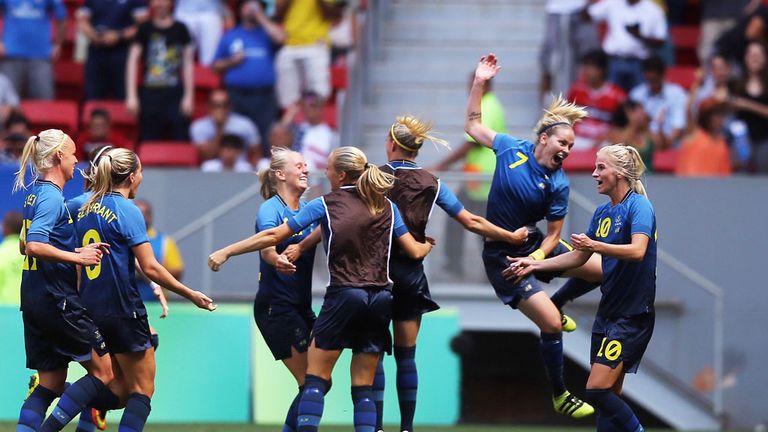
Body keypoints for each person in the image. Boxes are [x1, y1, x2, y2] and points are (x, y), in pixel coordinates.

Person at [207, 146, 434, 432]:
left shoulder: (325, 204)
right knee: (363, 387)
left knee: (316, 381)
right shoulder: (386, 205)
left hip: (343, 296)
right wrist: (425, 244)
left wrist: (227, 251)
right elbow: (414, 251)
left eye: (326, 168)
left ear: (339, 174)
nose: (318, 171)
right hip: (379, 299)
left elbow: (274, 235)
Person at [464, 54, 602, 418]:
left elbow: (553, 237)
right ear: (544, 138)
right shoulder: (510, 148)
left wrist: (537, 260)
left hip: (534, 248)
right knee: (551, 326)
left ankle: (558, 302)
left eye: (571, 147)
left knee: (603, 270)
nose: (567, 151)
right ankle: (560, 395)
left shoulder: (558, 185)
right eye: (563, 143)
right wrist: (480, 81)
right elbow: (473, 126)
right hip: (503, 259)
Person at [373, 116, 529, 432]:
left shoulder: (372, 178)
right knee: (406, 356)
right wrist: (510, 237)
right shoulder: (432, 183)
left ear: (390, 144)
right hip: (410, 274)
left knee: (372, 354)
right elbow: (471, 221)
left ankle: (373, 426)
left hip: (373, 273)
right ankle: (406, 428)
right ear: (416, 149)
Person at [507, 144, 657, 432]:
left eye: (601, 167)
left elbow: (638, 251)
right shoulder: (603, 212)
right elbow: (579, 256)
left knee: (596, 391)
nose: (594, 173)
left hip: (632, 315)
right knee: (609, 395)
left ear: (620, 173)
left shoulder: (639, 206)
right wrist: (533, 263)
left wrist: (595, 245)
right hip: (609, 313)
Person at [76, 147, 216, 431]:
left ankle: (59, 392)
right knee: (142, 390)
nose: (141, 178)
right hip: (122, 309)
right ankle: (62, 391)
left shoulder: (85, 207)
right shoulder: (129, 210)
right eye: (140, 172)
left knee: (116, 388)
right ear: (130, 177)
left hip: (90, 308)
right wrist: (191, 294)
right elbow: (150, 266)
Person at [11, 129, 115, 432]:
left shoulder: (36, 193)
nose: (75, 162)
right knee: (104, 373)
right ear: (58, 156)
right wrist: (78, 258)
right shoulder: (52, 198)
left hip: (33, 298)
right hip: (57, 299)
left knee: (51, 384)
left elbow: (25, 242)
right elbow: (33, 246)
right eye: (72, 155)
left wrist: (74, 248)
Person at [430, 74, 506, 278]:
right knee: (460, 220)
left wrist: (440, 166)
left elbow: (471, 142)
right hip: (476, 179)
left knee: (480, 227)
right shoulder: (488, 104)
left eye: (475, 84)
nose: (469, 88)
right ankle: (458, 266)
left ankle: (490, 273)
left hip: (485, 181)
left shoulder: (487, 106)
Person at [212, 0, 284, 154]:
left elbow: (280, 38)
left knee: (267, 138)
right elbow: (215, 66)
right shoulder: (231, 35)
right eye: (247, 4)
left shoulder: (266, 33)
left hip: (265, 96)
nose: (251, 8)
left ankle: (267, 173)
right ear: (240, 9)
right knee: (237, 137)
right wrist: (232, 61)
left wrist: (261, 17)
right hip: (237, 96)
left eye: (256, 4)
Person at [126, 0, 194, 142]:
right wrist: (131, 96)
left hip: (175, 94)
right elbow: (132, 61)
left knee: (180, 140)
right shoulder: (144, 28)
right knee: (148, 141)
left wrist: (189, 96)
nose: (159, 4)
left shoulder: (181, 29)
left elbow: (188, 64)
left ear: (171, 3)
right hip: (149, 95)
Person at [274, 0, 337, 123]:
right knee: (288, 98)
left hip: (316, 43)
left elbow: (332, 14)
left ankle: (317, 125)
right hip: (290, 43)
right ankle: (292, 125)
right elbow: (278, 15)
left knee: (320, 93)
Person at [585, 0, 667, 92]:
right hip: (614, 62)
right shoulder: (613, 3)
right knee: (613, 99)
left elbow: (661, 41)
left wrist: (640, 36)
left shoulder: (653, 9)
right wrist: (580, 3)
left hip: (639, 64)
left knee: (638, 98)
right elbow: (587, 16)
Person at [77, 0, 149, 100]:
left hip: (122, 52)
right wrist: (94, 37)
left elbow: (142, 25)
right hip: (96, 52)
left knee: (122, 96)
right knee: (93, 96)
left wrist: (119, 36)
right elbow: (83, 20)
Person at [0, 0, 66, 99]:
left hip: (41, 55)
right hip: (11, 53)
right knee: (5, 102)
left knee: (44, 101)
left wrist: (58, 44)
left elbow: (62, 17)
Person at [567, 50, 627, 151]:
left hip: (604, 142)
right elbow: (565, 119)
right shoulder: (576, 90)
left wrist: (606, 137)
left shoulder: (617, 95)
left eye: (590, 67)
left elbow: (621, 127)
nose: (586, 71)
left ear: (602, 70)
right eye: (585, 66)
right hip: (578, 140)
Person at [628, 56, 688, 150]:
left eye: (655, 80)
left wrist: (663, 143)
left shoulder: (677, 94)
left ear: (663, 75)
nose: (652, 84)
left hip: (670, 148)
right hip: (641, 147)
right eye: (649, 80)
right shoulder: (636, 94)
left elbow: (678, 127)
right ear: (644, 75)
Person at [133, 198, 185, 303]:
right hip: (127, 303)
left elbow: (177, 272)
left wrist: (154, 270)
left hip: (156, 302)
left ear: (151, 216)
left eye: (145, 213)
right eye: (138, 213)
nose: (142, 217)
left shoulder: (164, 242)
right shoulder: (121, 239)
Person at [191, 89, 261, 163]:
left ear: (230, 106)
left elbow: (256, 152)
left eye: (224, 105)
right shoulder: (198, 126)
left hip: (240, 168)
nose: (220, 109)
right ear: (208, 106)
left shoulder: (245, 124)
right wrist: (219, 126)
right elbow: (207, 155)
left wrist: (252, 171)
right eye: (215, 105)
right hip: (213, 169)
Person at [731, 41, 768, 172]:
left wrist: (747, 105)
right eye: (751, 54)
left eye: (758, 54)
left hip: (764, 140)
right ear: (746, 58)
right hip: (741, 140)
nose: (754, 57)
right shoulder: (736, 83)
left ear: (765, 59)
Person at [174, 0, 231, 66]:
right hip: (184, 11)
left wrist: (225, 11)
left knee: (210, 60)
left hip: (211, 11)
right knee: (180, 58)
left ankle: (208, 75)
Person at [604, 101, 657, 171]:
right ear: (628, 114)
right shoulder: (616, 132)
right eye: (640, 113)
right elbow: (618, 149)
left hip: (651, 177)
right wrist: (632, 125)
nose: (643, 115)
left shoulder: (648, 133)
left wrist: (658, 124)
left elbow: (662, 146)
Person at [294, 91, 336, 173]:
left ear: (321, 108)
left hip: (318, 179)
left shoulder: (330, 135)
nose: (308, 109)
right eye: (305, 106)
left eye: (312, 106)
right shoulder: (298, 130)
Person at [0, 210, 23, 305]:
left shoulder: (2, 253)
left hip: (3, 313)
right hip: (31, 313)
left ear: (6, 229)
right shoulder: (35, 255)